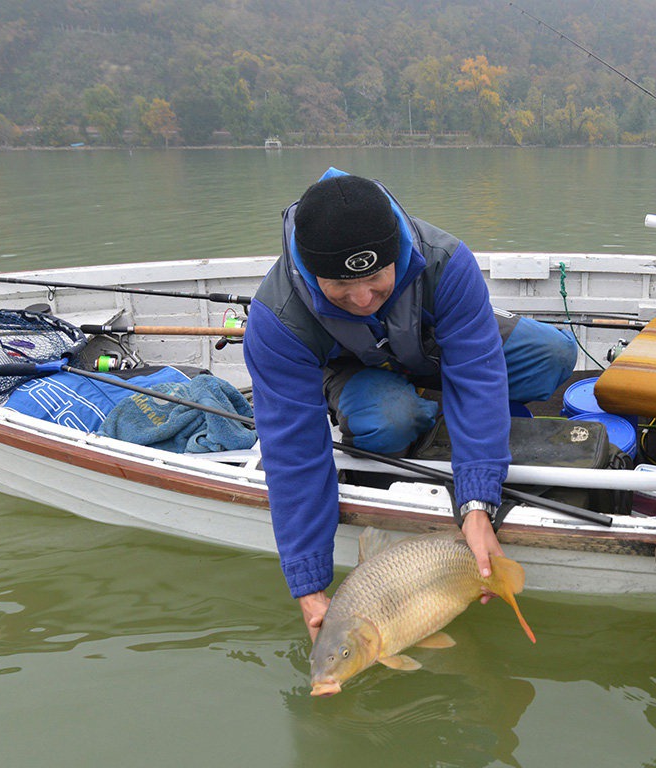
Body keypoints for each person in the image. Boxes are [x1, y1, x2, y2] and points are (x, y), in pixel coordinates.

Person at [245, 169, 577, 640]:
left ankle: (459, 424)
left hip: (433, 349)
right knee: (391, 420)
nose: (361, 298)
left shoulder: (447, 261)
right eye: (339, 285)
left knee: (553, 355)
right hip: (352, 370)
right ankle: (439, 414)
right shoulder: (276, 320)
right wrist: (310, 586)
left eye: (377, 278)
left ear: (397, 253)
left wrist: (478, 503)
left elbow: (479, 375)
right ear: (310, 269)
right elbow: (294, 452)